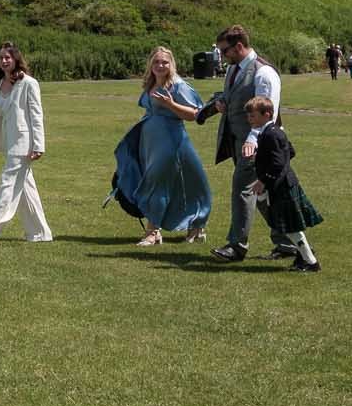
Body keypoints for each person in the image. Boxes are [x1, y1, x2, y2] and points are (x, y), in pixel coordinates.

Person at [194, 25, 292, 262]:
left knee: (242, 189)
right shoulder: (233, 70)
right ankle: (288, 242)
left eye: (224, 51)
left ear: (239, 46)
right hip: (239, 142)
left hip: (259, 145)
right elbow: (229, 97)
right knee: (262, 196)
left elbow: (267, 115)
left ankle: (236, 246)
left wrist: (251, 142)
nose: (222, 56)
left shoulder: (263, 73)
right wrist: (212, 108)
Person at [110, 45, 212, 246]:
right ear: (151, 64)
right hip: (150, 142)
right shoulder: (151, 84)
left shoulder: (178, 85)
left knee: (156, 182)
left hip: (171, 142)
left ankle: (153, 231)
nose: (160, 65)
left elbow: (195, 114)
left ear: (171, 64)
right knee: (181, 184)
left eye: (165, 62)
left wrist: (170, 105)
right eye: (156, 61)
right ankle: (196, 226)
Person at [0, 41, 52, 245]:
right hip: (10, 144)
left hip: (23, 145)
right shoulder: (1, 84)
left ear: (15, 59)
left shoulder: (29, 83)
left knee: (6, 185)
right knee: (26, 189)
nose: (4, 61)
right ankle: (40, 233)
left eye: (7, 57)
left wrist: (38, 146)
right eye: (0, 58)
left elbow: (36, 116)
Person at [246, 96, 322, 272]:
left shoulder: (271, 134)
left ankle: (311, 262)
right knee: (289, 227)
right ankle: (303, 258)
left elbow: (278, 163)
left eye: (253, 116)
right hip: (284, 183)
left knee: (290, 227)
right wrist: (261, 157)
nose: (249, 120)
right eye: (248, 116)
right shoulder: (272, 131)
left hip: (282, 186)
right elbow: (290, 152)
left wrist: (263, 181)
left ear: (267, 114)